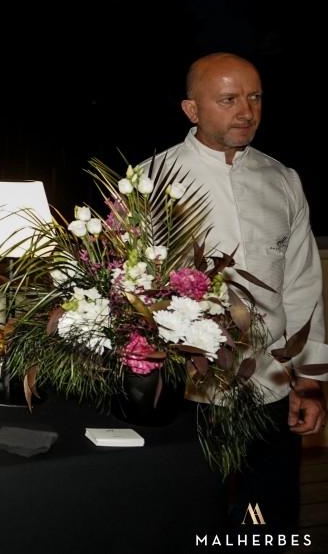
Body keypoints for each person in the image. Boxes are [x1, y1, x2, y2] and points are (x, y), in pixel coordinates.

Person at [152, 52, 324, 531]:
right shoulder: (151, 181)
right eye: (228, 99)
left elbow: (303, 285)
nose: (246, 111)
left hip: (269, 390)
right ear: (192, 110)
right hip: (186, 395)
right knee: (189, 523)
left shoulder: (283, 180)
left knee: (267, 526)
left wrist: (308, 380)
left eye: (254, 97)